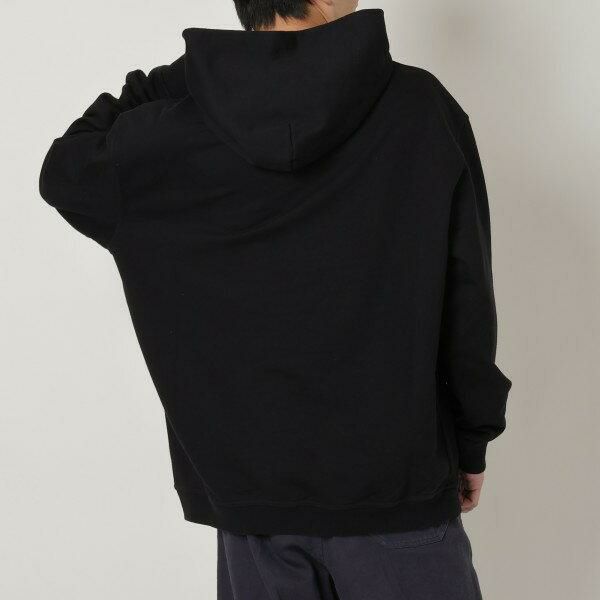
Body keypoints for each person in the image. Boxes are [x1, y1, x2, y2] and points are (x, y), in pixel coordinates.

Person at [39, 1, 512, 598]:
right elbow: (467, 300)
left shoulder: (166, 133)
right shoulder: (420, 111)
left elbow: (66, 167)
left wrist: (198, 72)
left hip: (252, 510)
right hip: (397, 493)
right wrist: (472, 440)